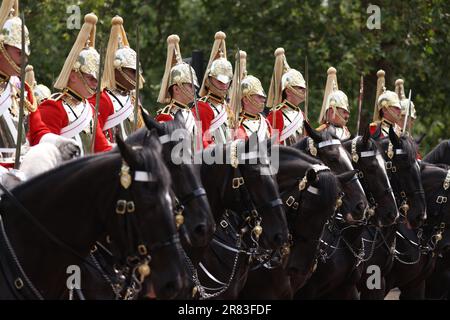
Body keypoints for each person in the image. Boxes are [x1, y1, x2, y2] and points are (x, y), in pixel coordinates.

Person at [0, 0, 77, 168]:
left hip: (22, 169)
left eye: (26, 54)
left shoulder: (22, 89)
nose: (24, 59)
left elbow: (37, 132)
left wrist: (58, 143)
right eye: (19, 52)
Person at [28, 13, 112, 155]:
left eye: (97, 79)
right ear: (73, 76)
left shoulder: (88, 109)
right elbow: (44, 150)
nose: (96, 83)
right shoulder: (54, 106)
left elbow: (102, 147)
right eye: (91, 78)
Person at [88, 16, 145, 143]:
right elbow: (95, 136)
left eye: (137, 71)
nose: (136, 76)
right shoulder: (103, 98)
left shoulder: (133, 99)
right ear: (117, 71)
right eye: (132, 71)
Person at [155, 34, 199, 146]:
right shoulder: (166, 116)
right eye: (190, 86)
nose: (194, 90)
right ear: (176, 89)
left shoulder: (191, 113)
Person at [192, 31, 233, 147]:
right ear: (209, 80)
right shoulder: (202, 106)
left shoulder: (226, 106)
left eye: (227, 81)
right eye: (219, 81)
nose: (224, 85)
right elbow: (199, 140)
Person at [266, 48, 306, 145]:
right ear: (288, 91)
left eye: (304, 88)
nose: (304, 90)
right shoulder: (277, 114)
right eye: (300, 88)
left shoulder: (302, 115)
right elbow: (273, 148)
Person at [231, 51, 271, 141]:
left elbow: (275, 151)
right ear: (246, 100)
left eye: (263, 97)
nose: (263, 100)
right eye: (259, 97)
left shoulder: (265, 121)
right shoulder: (237, 124)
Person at [316, 67, 351, 141]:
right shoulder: (321, 131)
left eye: (348, 113)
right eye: (344, 112)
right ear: (332, 111)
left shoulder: (347, 132)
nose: (347, 116)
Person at [369, 70, 402, 138]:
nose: (399, 111)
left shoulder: (400, 131)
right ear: (384, 109)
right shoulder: (373, 129)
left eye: (399, 108)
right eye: (396, 108)